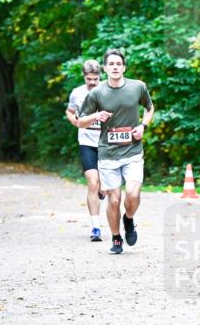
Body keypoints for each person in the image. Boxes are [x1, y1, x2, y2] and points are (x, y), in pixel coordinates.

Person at [76, 50, 154, 254]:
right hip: (108, 155)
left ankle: (128, 219)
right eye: (111, 64)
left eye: (119, 63)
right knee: (114, 199)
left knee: (133, 194)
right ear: (105, 68)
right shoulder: (97, 93)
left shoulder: (138, 87)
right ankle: (116, 238)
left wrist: (143, 127)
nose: (115, 67)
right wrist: (96, 116)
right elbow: (80, 121)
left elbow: (150, 108)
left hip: (133, 152)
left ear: (124, 67)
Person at [66, 60, 106, 242]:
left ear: (100, 76)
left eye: (95, 79)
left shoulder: (108, 90)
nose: (92, 82)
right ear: (84, 76)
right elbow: (69, 111)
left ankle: (102, 190)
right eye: (89, 78)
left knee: (105, 188)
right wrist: (76, 122)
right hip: (87, 142)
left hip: (107, 144)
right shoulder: (77, 93)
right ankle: (95, 227)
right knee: (92, 183)